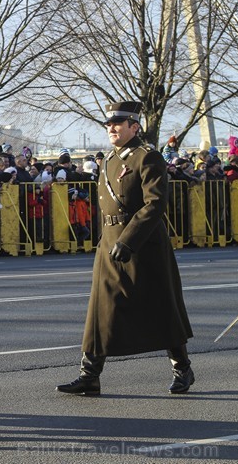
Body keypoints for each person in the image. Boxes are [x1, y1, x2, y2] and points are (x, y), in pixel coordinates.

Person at [56, 101, 194, 396]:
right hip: (110, 241)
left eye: (118, 124)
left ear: (134, 126)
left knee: (161, 307)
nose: (111, 129)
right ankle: (89, 374)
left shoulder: (148, 157)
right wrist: (109, 240)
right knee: (101, 307)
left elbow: (155, 203)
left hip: (143, 245)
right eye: (108, 125)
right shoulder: (108, 160)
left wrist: (128, 240)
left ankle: (182, 368)